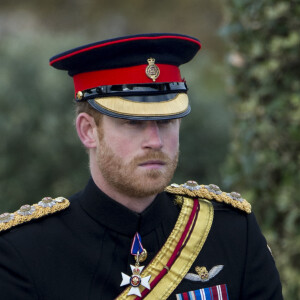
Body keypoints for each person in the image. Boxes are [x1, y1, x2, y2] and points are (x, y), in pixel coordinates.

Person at [0, 33, 282, 300]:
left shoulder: (231, 232)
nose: (155, 141)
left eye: (167, 121)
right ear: (88, 131)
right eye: (132, 123)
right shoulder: (23, 252)